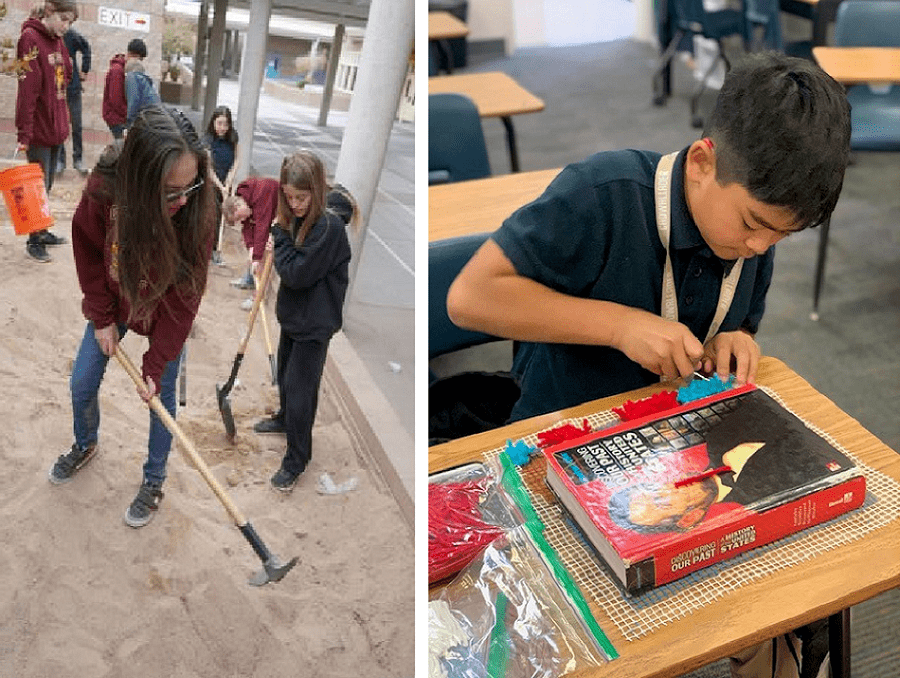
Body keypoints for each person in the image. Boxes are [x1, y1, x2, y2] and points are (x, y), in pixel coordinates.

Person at [446, 51, 850, 678]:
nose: (760, 248)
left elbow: (737, 321)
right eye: (753, 224)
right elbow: (468, 297)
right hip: (560, 455)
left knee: (796, 599)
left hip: (673, 461)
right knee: (587, 641)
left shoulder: (750, 240)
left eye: (780, 237)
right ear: (702, 161)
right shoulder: (602, 196)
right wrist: (619, 325)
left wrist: (736, 341)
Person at [47, 105, 216, 529]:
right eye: (168, 191)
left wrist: (156, 363)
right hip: (117, 297)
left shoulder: (198, 207)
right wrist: (102, 317)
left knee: (160, 399)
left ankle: (154, 479)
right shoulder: (106, 186)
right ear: (139, 176)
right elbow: (86, 247)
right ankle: (86, 444)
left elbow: (186, 294)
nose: (181, 200)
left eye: (187, 187)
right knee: (82, 381)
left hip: (165, 308)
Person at [252, 152, 357, 493]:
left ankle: (298, 458)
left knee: (301, 390)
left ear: (315, 191)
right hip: (295, 318)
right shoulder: (296, 217)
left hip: (315, 323)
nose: (294, 204)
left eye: (301, 197)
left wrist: (279, 239)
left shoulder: (327, 228)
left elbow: (296, 274)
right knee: (285, 376)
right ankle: (285, 420)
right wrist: (280, 234)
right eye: (288, 196)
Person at [14, 0, 76, 263]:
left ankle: (42, 230)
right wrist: (24, 134)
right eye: (64, 19)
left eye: (71, 22)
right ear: (49, 12)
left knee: (47, 183)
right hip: (38, 129)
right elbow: (27, 92)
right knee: (35, 187)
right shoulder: (29, 39)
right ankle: (33, 240)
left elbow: (67, 74)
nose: (66, 25)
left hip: (55, 128)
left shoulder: (57, 39)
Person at [222, 175, 279, 301]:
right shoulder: (245, 201)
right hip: (269, 215)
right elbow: (247, 226)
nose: (241, 220)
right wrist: (251, 247)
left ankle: (259, 295)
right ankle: (250, 279)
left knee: (265, 247)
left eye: (238, 218)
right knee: (253, 249)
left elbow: (261, 228)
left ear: (237, 206)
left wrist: (257, 258)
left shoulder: (261, 193)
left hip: (280, 214)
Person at [204, 105, 240, 265]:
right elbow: (208, 168)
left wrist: (229, 181)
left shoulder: (233, 137)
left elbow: (237, 160)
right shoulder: (207, 140)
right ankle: (208, 250)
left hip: (226, 182)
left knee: (222, 216)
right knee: (211, 216)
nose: (222, 128)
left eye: (226, 124)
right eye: (219, 123)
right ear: (213, 122)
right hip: (211, 183)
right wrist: (220, 186)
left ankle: (215, 251)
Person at [56, 26, 91, 176]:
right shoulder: (49, 35)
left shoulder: (71, 35)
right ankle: (59, 161)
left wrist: (84, 70)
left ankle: (78, 159)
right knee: (58, 125)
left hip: (73, 86)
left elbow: (86, 48)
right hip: (56, 87)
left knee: (76, 124)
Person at [102, 37, 146, 139]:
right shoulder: (117, 70)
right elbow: (115, 100)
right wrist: (130, 115)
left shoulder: (126, 69)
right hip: (117, 119)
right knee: (123, 148)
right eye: (139, 59)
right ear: (133, 55)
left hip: (120, 117)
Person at [124, 57, 161, 129]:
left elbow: (134, 99)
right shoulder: (145, 79)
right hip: (156, 115)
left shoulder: (132, 76)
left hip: (146, 116)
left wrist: (129, 121)